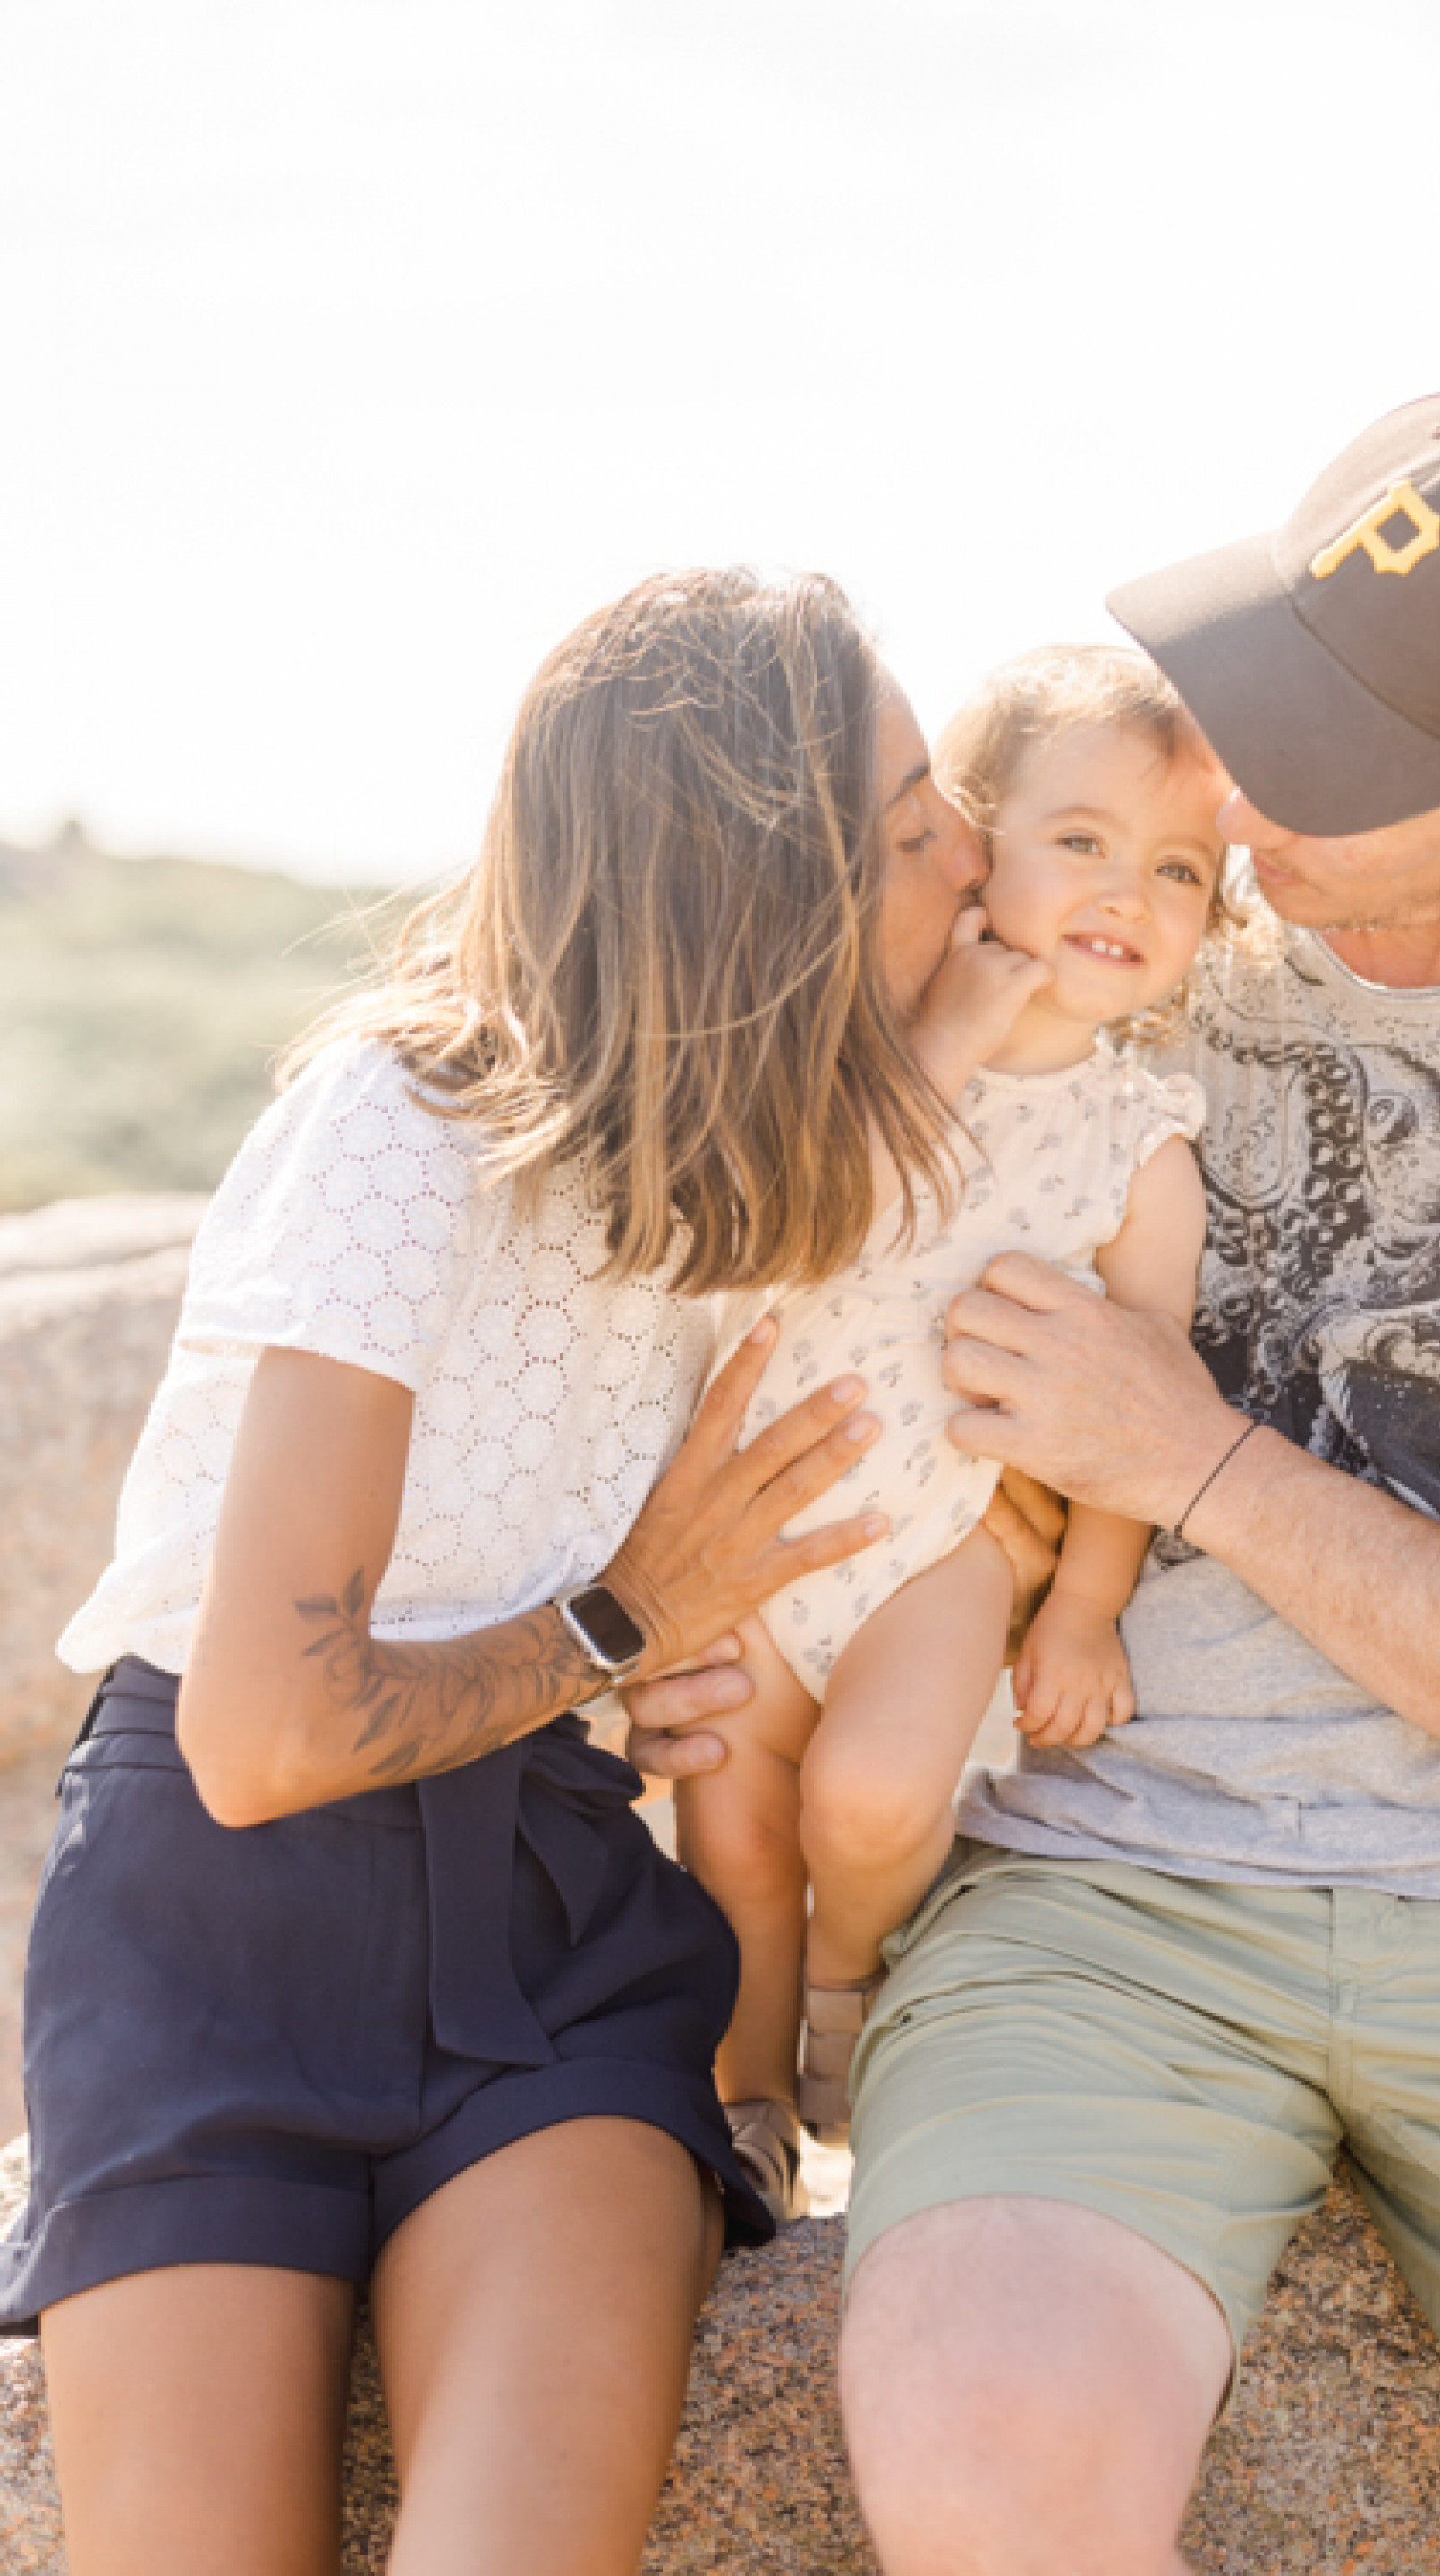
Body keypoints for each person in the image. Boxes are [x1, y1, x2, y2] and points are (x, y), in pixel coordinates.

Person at [635, 392, 1440, 2576]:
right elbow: (738, 1187)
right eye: (1269, 689)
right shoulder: (1112, 918)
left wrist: (1194, 1463)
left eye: (1341, 758)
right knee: (991, 2446)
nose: (1229, 792)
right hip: (1101, 1892)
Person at [0, 566, 1004, 2576]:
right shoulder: (401, 1121)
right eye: (910, 828)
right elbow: (266, 1737)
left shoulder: (745, 1171)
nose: (969, 854)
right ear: (767, 903)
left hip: (557, 1930)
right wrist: (617, 1622)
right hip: (217, 1926)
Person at [675, 648, 1223, 2214]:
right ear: (974, 841)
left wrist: (1090, 1602)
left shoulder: (1137, 1142)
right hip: (757, 1523)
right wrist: (949, 1040)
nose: (1126, 890)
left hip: (944, 1542)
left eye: (1178, 869)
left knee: (866, 1801)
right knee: (734, 1834)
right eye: (1083, 840)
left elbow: (1149, 1403)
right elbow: (783, 1229)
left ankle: (848, 1986)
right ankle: (747, 2107)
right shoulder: (856, 1041)